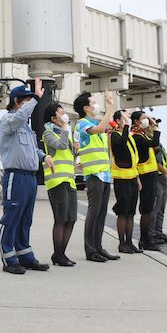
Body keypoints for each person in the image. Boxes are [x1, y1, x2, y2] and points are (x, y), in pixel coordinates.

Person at [0, 79, 54, 274]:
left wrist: (44, 156)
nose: (30, 105)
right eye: (27, 101)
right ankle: (8, 258)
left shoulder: (26, 128)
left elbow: (32, 149)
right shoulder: (8, 120)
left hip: (29, 177)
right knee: (11, 217)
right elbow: (20, 116)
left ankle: (25, 255)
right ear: (17, 101)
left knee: (25, 218)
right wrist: (36, 98)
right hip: (16, 176)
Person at [73, 91, 119, 262]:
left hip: (104, 174)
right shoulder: (82, 123)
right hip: (93, 173)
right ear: (86, 107)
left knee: (101, 212)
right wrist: (110, 108)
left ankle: (98, 247)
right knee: (94, 212)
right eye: (93, 102)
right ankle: (90, 250)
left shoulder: (94, 122)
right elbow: (99, 129)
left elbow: (104, 129)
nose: (96, 105)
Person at [41, 103, 79, 266]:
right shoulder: (48, 133)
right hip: (56, 180)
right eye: (61, 113)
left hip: (69, 179)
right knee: (61, 218)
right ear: (53, 118)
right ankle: (58, 254)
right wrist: (65, 129)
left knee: (71, 218)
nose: (65, 116)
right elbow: (61, 146)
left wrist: (76, 149)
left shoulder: (65, 133)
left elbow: (69, 152)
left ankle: (61, 253)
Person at [110, 109, 141, 253]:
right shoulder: (115, 135)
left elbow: (134, 159)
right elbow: (120, 144)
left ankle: (129, 242)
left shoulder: (129, 136)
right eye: (124, 117)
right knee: (123, 211)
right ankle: (122, 243)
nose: (127, 118)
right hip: (121, 179)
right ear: (117, 121)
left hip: (132, 177)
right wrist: (127, 127)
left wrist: (137, 178)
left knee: (131, 212)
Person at [130, 110, 162, 251]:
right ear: (136, 121)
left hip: (151, 174)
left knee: (149, 208)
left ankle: (147, 239)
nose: (147, 120)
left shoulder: (142, 134)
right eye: (144, 118)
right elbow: (154, 142)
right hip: (145, 175)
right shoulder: (136, 136)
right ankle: (145, 240)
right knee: (147, 210)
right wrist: (156, 128)